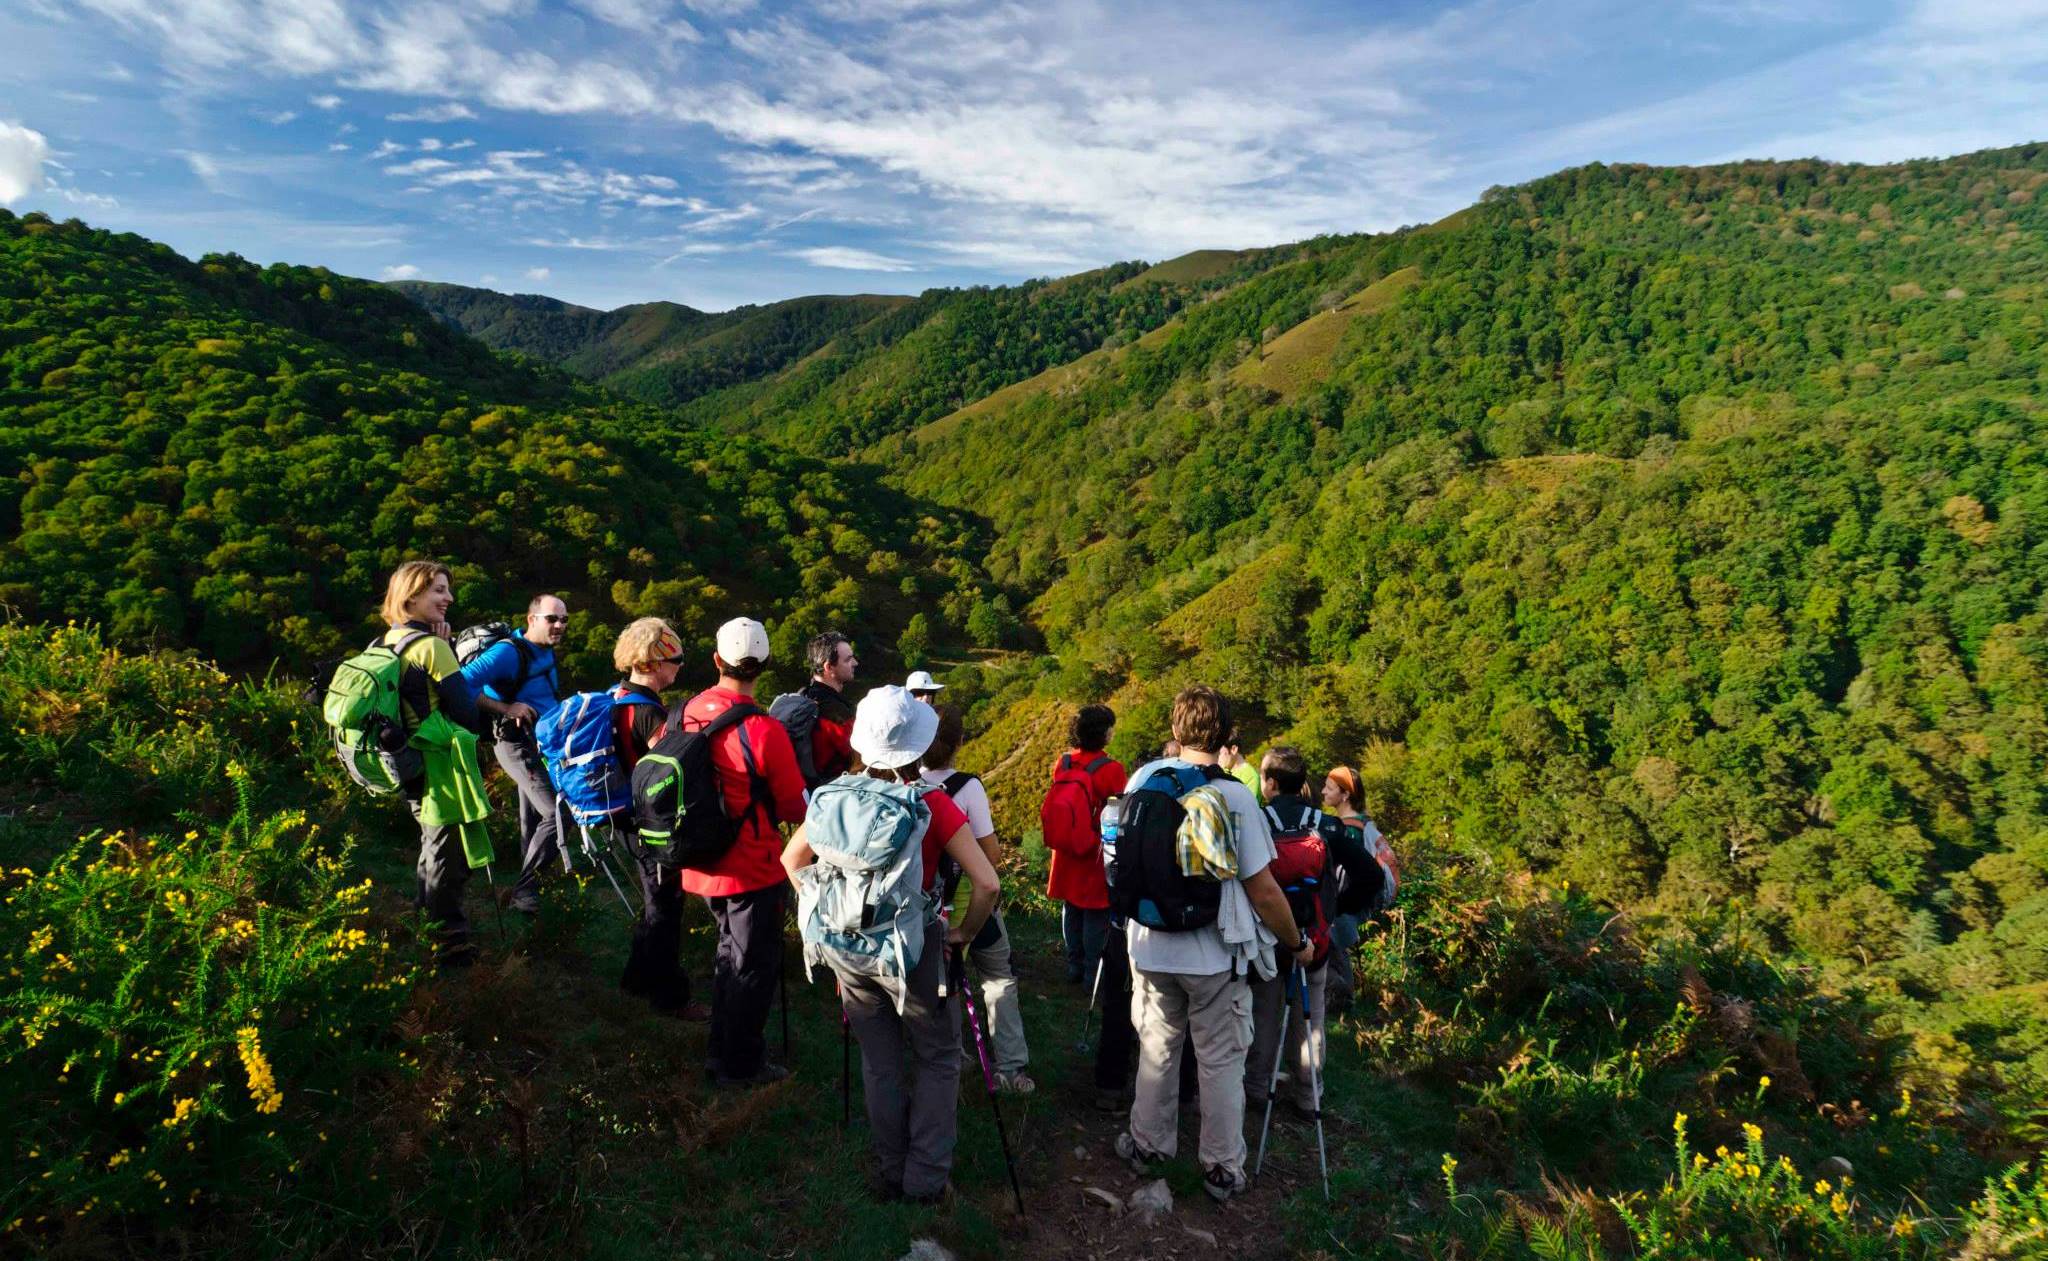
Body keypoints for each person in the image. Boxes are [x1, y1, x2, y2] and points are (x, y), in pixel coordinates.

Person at [782, 686, 999, 1204]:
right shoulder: (932, 804)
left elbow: (792, 862)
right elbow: (987, 883)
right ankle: (926, 1179)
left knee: (880, 1061)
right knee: (937, 1056)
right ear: (918, 748)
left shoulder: (832, 795)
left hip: (847, 949)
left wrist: (833, 913)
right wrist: (962, 934)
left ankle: (889, 1165)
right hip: (913, 948)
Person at [1114, 685, 1311, 1204]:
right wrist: (1296, 940)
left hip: (1149, 944)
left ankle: (1148, 1145)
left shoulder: (1143, 779)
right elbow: (1262, 888)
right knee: (1221, 1059)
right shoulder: (1235, 796)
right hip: (1212, 953)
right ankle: (1221, 1166)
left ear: (1175, 730)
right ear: (1226, 737)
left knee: (1156, 1047)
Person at [678, 616, 809, 1086]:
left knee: (728, 953)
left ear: (717, 660)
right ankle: (740, 1064)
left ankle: (720, 1048)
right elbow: (795, 804)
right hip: (751, 866)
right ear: (765, 666)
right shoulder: (765, 729)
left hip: (698, 860)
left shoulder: (687, 711)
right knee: (753, 966)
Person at [1244, 746, 1373, 1119]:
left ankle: (1256, 1087)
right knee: (1311, 1015)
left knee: (1264, 1010)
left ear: (1269, 783)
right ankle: (1308, 1096)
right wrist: (1336, 909)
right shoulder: (1326, 825)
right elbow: (1369, 874)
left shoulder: (1257, 820)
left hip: (1266, 937)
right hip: (1314, 937)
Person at [921, 705, 1033, 1095]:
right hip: (972, 898)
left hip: (928, 905)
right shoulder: (968, 787)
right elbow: (992, 855)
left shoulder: (909, 786)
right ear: (961, 743)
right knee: (998, 977)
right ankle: (1010, 1067)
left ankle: (953, 1055)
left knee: (944, 982)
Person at [379, 561, 486, 967]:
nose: (449, 598)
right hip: (437, 763)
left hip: (403, 760)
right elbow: (467, 712)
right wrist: (448, 651)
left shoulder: (387, 642)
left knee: (431, 844)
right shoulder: (433, 648)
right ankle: (449, 943)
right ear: (411, 596)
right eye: (438, 590)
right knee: (446, 852)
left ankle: (427, 925)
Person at [612, 617, 707, 1020]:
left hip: (625, 817)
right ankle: (670, 997)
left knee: (655, 901)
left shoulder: (618, 696)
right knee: (665, 908)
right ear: (653, 661)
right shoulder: (649, 713)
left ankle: (634, 981)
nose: (680, 666)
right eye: (676, 659)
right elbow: (668, 773)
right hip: (650, 825)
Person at [460, 594, 567, 916]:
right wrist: (506, 707)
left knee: (532, 819)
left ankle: (527, 896)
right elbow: (461, 683)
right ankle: (526, 889)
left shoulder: (543, 650)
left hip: (540, 744)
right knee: (557, 814)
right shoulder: (507, 653)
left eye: (564, 620)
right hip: (515, 744)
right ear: (532, 619)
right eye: (552, 619)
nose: (560, 625)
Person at [1045, 703, 1126, 984]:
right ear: (1103, 733)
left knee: (1072, 906)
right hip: (1093, 850)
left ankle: (1073, 965)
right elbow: (1118, 813)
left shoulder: (1064, 762)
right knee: (1095, 911)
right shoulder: (1112, 769)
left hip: (1066, 848)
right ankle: (1093, 972)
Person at [1319, 765, 1390, 1014]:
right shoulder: (1362, 824)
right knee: (1338, 952)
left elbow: (1347, 872)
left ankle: (1342, 1006)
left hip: (1343, 904)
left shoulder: (1348, 829)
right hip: (1353, 905)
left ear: (1345, 795)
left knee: (1335, 953)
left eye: (1329, 788)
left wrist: (1339, 903)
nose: (1323, 791)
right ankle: (1345, 1008)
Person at [1218, 734, 1262, 802]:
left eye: (1219, 753)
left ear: (1234, 749)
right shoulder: (1221, 771)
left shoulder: (1251, 777)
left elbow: (1248, 807)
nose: (1217, 757)